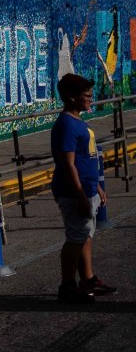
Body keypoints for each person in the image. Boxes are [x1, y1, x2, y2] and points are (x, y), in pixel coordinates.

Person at [51, 73, 118, 303]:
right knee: (75, 238)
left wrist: (96, 187)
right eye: (86, 95)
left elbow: (86, 158)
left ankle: (88, 280)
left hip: (87, 190)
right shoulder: (67, 125)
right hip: (73, 193)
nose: (90, 98)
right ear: (71, 98)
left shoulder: (77, 121)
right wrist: (80, 195)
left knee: (84, 236)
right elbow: (68, 164)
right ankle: (67, 286)